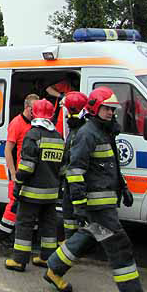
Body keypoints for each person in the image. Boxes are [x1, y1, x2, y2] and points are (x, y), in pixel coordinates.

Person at [43, 87, 147, 292]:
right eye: (106, 108)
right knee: (119, 244)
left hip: (105, 199)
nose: (111, 113)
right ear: (95, 108)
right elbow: (75, 171)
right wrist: (79, 205)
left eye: (113, 109)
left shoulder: (104, 132)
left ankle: (54, 269)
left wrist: (122, 187)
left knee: (86, 237)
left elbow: (110, 166)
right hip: (97, 203)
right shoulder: (87, 134)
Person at [5, 99, 64, 271]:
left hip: (31, 193)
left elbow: (27, 166)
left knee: (24, 224)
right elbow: (62, 167)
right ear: (51, 114)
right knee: (48, 226)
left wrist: (18, 182)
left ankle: (19, 260)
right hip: (51, 193)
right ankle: (46, 258)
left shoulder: (33, 135)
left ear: (35, 113)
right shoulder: (58, 136)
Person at [0, 93, 40, 244]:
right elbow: (8, 150)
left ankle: (29, 235)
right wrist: (13, 173)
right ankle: (3, 235)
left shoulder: (34, 124)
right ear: (28, 108)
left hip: (28, 170)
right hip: (18, 170)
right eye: (35, 108)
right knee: (14, 204)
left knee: (29, 203)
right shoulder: (17, 123)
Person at [59, 91, 89, 240]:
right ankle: (70, 241)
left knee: (73, 216)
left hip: (75, 185)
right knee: (69, 217)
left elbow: (72, 162)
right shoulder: (79, 130)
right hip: (72, 184)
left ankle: (72, 244)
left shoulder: (79, 133)